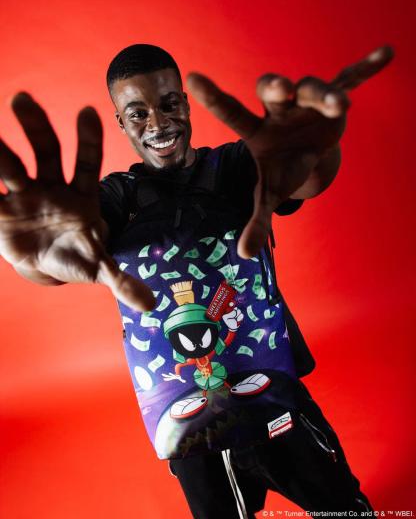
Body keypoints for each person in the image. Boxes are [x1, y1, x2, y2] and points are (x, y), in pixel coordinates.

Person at [0, 44, 393, 517]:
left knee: (345, 508)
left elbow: (302, 176)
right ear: (120, 122)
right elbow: (67, 250)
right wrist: (36, 255)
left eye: (169, 104)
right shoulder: (115, 199)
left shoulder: (236, 167)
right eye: (137, 113)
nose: (158, 123)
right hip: (190, 424)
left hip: (273, 395)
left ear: (186, 104)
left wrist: (318, 152)